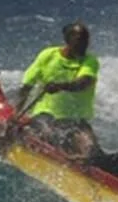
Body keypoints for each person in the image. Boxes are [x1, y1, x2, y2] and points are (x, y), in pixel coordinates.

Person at [15, 21, 100, 157]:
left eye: (86, 40)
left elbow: (83, 83)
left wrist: (60, 86)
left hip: (76, 119)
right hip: (46, 115)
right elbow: (27, 86)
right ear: (67, 40)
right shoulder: (48, 56)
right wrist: (16, 114)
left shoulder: (90, 61)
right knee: (52, 135)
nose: (84, 45)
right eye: (80, 40)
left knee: (93, 152)